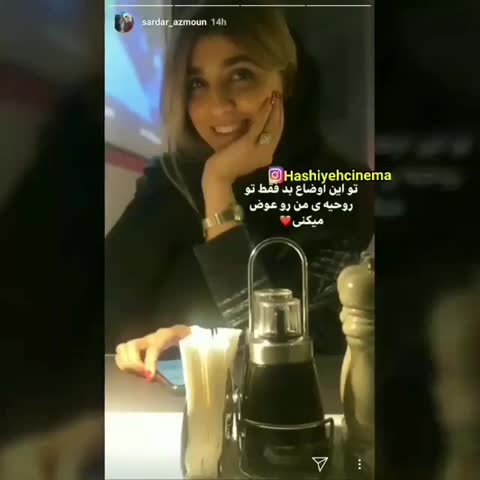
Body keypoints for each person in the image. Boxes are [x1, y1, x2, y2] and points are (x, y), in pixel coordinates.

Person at [106, 6, 374, 379]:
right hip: (154, 411)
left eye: (241, 76)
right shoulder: (168, 184)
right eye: (197, 83)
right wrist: (130, 350)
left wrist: (218, 186)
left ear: (286, 82)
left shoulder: (340, 188)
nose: (218, 105)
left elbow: (305, 351)